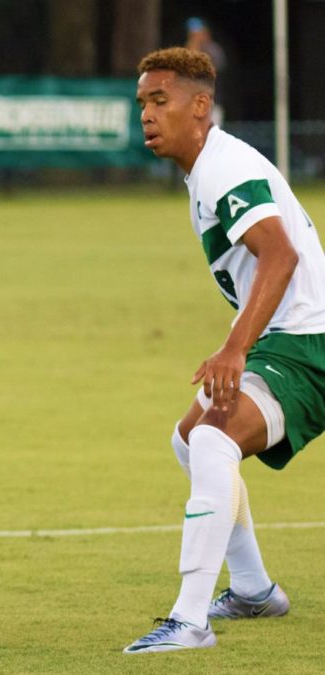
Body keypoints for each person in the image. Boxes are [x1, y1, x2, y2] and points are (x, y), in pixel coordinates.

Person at [125, 47, 325, 653]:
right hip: (290, 339)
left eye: (160, 101)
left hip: (308, 345)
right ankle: (254, 589)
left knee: (213, 436)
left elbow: (281, 254)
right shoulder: (206, 169)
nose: (147, 115)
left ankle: (189, 621)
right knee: (190, 439)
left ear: (200, 105)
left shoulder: (222, 167)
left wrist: (234, 351)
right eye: (142, 103)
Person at [185, 17, 226, 126]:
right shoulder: (188, 50)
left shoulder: (214, 50)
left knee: (211, 138)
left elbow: (208, 71)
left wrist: (196, 47)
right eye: (192, 34)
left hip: (212, 103)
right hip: (192, 104)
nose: (196, 37)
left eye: (198, 33)